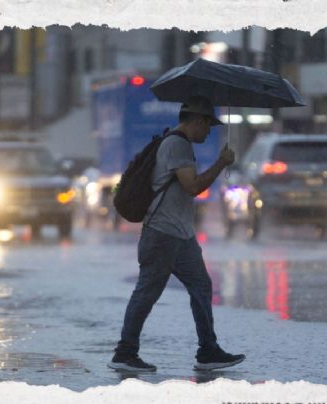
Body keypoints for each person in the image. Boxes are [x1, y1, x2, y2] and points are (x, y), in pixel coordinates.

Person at [108, 95, 245, 372]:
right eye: (208, 126)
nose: (209, 131)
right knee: (147, 293)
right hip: (162, 234)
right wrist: (221, 163)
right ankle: (125, 353)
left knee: (201, 286)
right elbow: (193, 186)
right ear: (196, 121)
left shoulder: (178, 144)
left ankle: (208, 351)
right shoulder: (177, 145)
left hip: (180, 236)